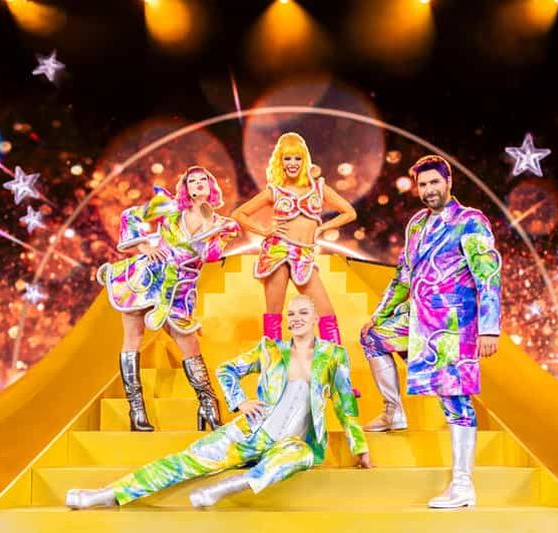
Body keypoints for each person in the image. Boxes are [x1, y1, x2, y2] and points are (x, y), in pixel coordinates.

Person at [65, 295, 371, 510]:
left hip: (291, 442)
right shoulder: (270, 349)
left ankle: (224, 488)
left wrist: (359, 447)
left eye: (303, 313)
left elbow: (345, 403)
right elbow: (227, 370)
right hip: (251, 432)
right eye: (291, 314)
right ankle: (106, 495)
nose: (296, 319)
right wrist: (240, 402)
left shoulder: (333, 355)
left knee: (300, 457)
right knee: (185, 461)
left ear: (315, 319)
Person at [359, 155, 501, 508]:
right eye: (422, 185)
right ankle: (393, 411)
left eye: (434, 182)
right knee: (373, 337)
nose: (428, 190)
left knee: (455, 400)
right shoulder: (417, 224)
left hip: (453, 325)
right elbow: (403, 276)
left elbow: (487, 275)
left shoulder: (470, 221)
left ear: (448, 182)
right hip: (417, 320)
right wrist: (379, 314)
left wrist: (489, 328)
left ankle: (463, 485)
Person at [97, 166, 240, 431]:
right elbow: (130, 215)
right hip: (145, 278)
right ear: (186, 187)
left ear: (211, 186)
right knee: (132, 338)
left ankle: (208, 406)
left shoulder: (223, 225)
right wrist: (144, 246)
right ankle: (136, 412)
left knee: (189, 344)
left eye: (203, 180)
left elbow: (210, 256)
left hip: (180, 290)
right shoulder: (170, 207)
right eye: (192, 180)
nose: (198, 184)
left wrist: (208, 225)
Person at [232, 132, 356, 343]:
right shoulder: (274, 191)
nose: (292, 163)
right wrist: (265, 231)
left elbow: (349, 212)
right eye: (287, 158)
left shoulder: (318, 188)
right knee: (274, 316)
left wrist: (322, 228)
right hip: (278, 251)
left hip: (303, 255)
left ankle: (335, 361)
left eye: (297, 158)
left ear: (304, 160)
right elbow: (239, 214)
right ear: (280, 161)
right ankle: (274, 361)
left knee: (327, 314)